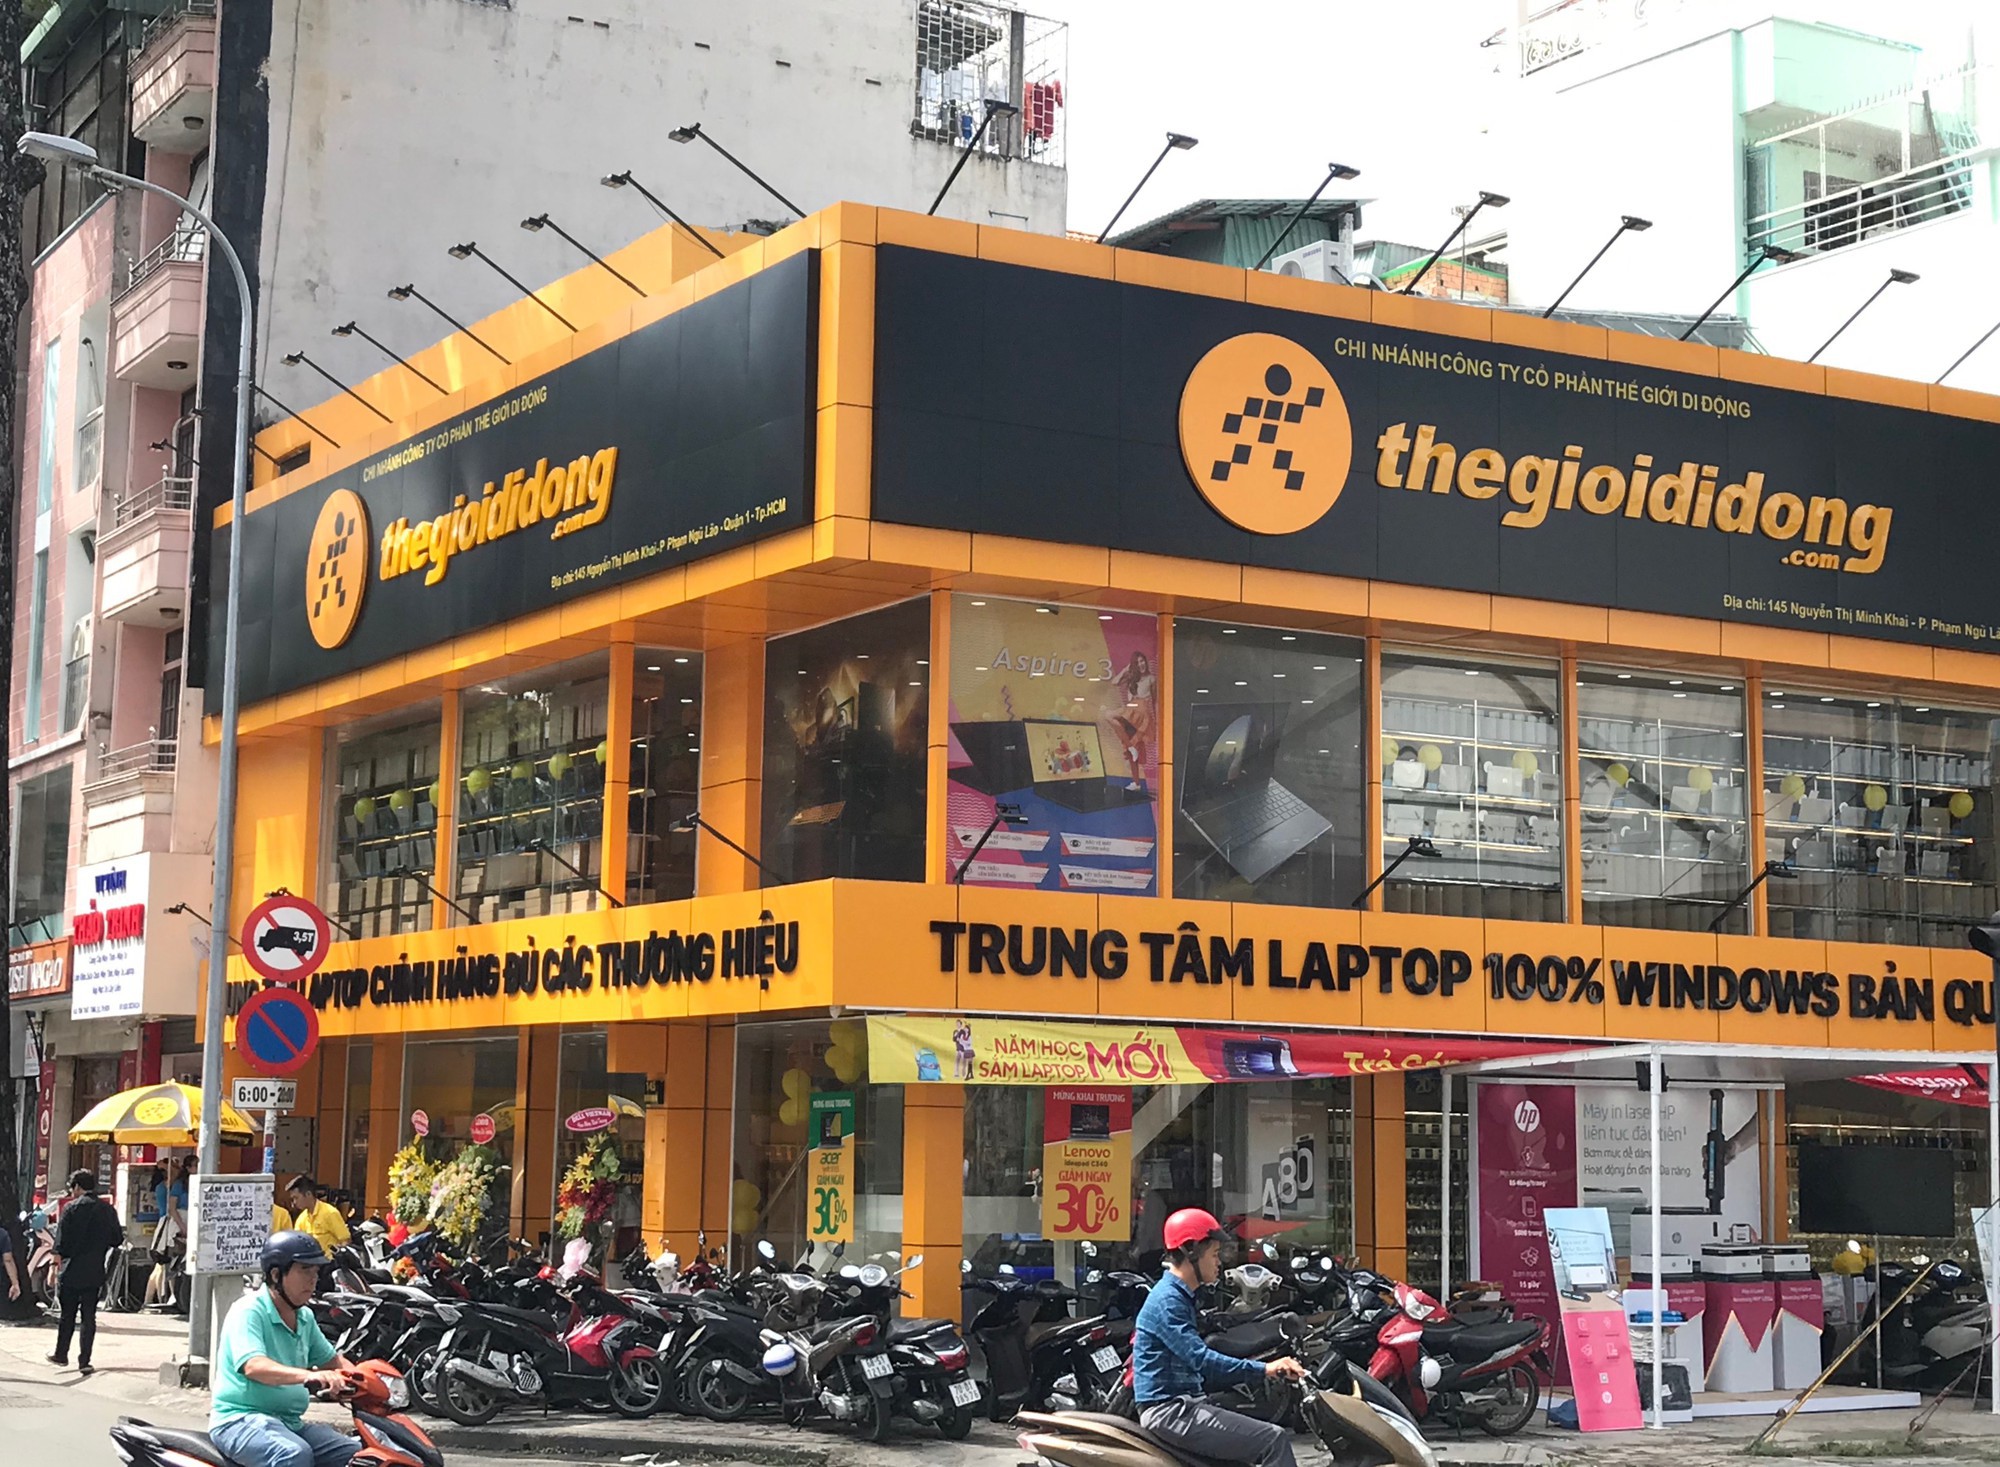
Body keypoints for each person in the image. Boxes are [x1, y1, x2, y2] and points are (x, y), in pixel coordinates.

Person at [1132, 1208, 1305, 1467]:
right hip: (1170, 1411)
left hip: (1185, 1404)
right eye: (1214, 1254)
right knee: (1273, 1440)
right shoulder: (1168, 1301)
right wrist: (1266, 1369)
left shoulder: (1181, 1296)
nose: (1219, 1262)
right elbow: (1202, 1360)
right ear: (1191, 1251)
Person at [210, 1231, 360, 1467]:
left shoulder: (304, 1317)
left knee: (357, 1454)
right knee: (292, 1454)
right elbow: (254, 1366)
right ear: (276, 1274)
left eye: (316, 1272)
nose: (313, 1280)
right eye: (305, 1270)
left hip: (289, 1423)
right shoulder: (249, 1311)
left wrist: (363, 1380)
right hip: (239, 1420)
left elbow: (332, 1361)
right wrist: (310, 1375)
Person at [46, 1169, 124, 1374]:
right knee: (89, 1317)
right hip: (95, 1269)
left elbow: (60, 1243)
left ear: (78, 1187)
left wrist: (53, 1269)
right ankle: (85, 1361)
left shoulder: (71, 1209)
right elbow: (117, 1239)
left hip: (71, 1269)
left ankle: (61, 1354)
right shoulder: (107, 1210)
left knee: (68, 1315)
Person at [287, 1177, 350, 1254]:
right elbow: (297, 1243)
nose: (294, 1202)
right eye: (293, 1199)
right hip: (310, 1260)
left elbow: (345, 1240)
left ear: (308, 1194)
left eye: (296, 1198)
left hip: (329, 1260)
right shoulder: (302, 1219)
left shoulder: (330, 1213)